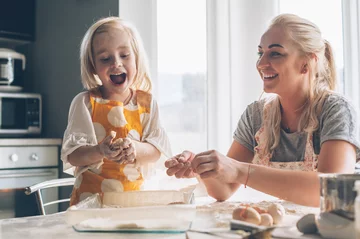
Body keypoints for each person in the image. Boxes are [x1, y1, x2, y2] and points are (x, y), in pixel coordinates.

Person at [165, 13, 360, 207]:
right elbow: (223, 190)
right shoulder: (256, 115)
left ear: (306, 63)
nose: (261, 64)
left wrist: (240, 170)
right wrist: (203, 168)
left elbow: (330, 191)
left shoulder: (336, 110)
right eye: (260, 53)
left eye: (275, 53)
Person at [61, 16, 171, 205]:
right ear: (93, 66)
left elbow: (156, 150)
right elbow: (73, 155)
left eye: (124, 55)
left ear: (136, 58)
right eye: (105, 58)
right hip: (91, 204)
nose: (116, 63)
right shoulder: (85, 103)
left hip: (134, 203)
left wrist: (135, 148)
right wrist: (99, 150)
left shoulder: (147, 104)